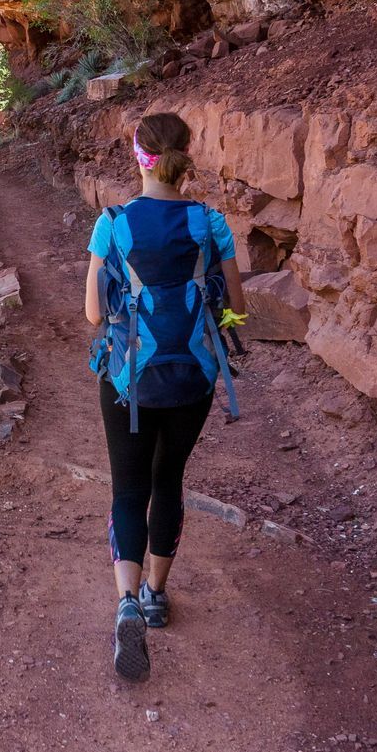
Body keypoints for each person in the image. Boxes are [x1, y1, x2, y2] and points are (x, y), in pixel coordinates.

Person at [84, 111, 246, 682]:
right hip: (192, 379)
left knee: (128, 489)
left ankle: (126, 601)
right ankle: (156, 595)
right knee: (167, 481)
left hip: (127, 381)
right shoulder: (209, 223)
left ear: (139, 156)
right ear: (185, 157)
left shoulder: (113, 223)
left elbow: (93, 314)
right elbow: (235, 307)